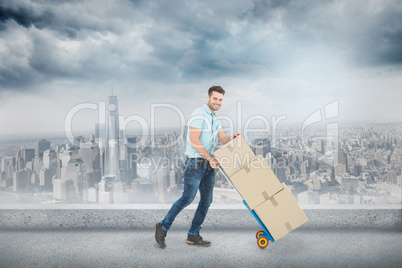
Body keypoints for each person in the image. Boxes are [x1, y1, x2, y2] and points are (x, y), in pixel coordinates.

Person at [154, 86, 241, 248]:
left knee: (206, 201)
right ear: (207, 97)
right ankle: (162, 226)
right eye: (215, 99)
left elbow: (222, 138)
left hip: (208, 165)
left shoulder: (215, 118)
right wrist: (210, 158)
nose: (218, 102)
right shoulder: (198, 115)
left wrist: (231, 138)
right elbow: (194, 140)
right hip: (195, 164)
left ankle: (193, 234)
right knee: (187, 198)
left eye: (220, 100)